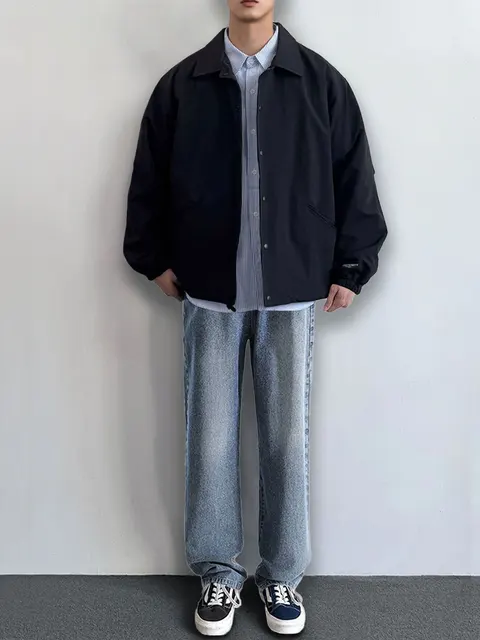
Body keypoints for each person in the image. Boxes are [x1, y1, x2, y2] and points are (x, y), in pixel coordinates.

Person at [124, 0, 387, 635]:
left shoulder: (321, 83)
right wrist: (152, 257)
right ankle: (219, 572)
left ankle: (281, 575)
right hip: (208, 289)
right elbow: (149, 176)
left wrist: (353, 264)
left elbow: (353, 174)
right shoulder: (182, 85)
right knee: (210, 438)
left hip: (292, 290)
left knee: (285, 438)